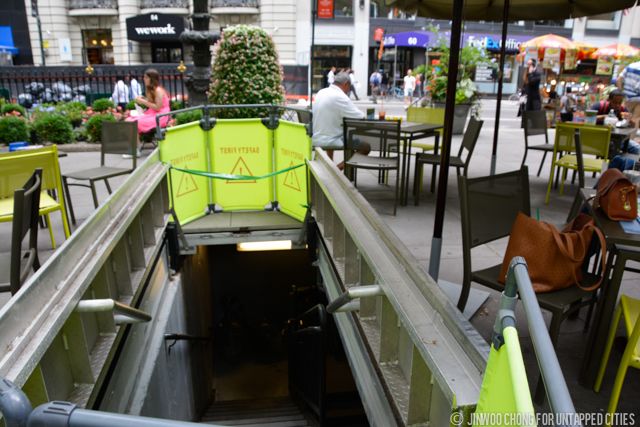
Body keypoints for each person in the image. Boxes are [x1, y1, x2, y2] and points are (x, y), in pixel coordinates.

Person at [312, 72, 371, 169]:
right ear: (346, 84)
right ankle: (336, 170)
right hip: (330, 140)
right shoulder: (340, 96)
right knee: (365, 147)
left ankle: (329, 166)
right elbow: (360, 117)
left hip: (316, 137)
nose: (348, 90)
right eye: (349, 86)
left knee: (335, 131)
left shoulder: (321, 92)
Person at [125, 68, 170, 157]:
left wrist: (143, 102)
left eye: (146, 77)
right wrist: (143, 99)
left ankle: (135, 150)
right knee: (128, 120)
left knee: (132, 122)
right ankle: (135, 148)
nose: (144, 79)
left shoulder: (158, 90)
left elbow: (158, 107)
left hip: (160, 116)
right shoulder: (151, 89)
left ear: (151, 79)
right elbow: (152, 103)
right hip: (152, 113)